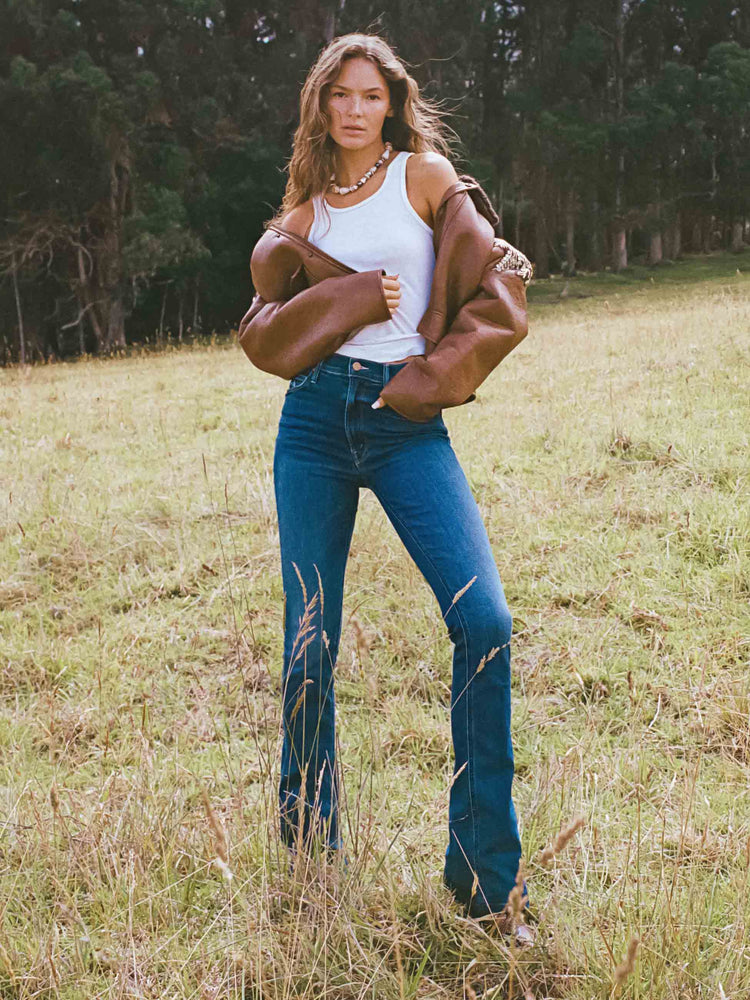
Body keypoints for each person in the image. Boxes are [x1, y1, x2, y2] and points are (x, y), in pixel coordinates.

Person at [242, 32, 533, 934]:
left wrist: (427, 378)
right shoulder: (303, 213)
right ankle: (308, 856)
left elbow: (499, 275)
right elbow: (263, 327)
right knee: (309, 639)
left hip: (408, 427)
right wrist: (349, 298)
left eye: (371, 95)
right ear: (321, 107)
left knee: (483, 620)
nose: (356, 109)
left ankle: (487, 887)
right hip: (315, 426)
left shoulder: (425, 175)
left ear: (392, 103)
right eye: (341, 95)